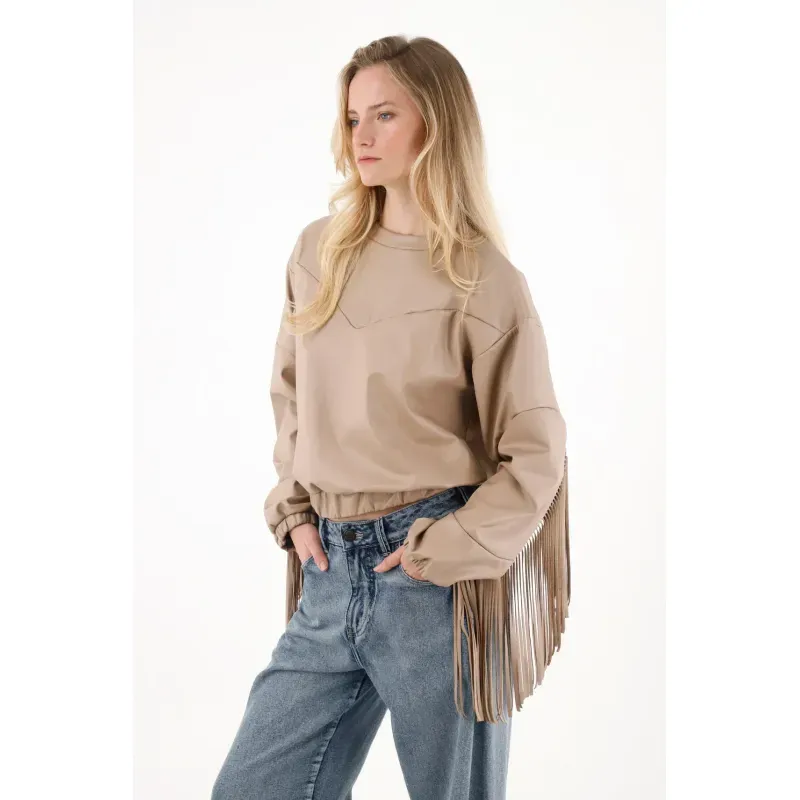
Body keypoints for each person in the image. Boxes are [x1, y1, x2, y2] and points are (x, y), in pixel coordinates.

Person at [211, 34, 570, 800]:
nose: (361, 137)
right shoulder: (319, 252)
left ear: (435, 124)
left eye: (384, 115)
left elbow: (536, 452)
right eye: (351, 118)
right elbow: (291, 395)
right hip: (329, 571)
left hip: (432, 579)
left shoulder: (483, 279)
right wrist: (293, 509)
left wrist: (445, 549)